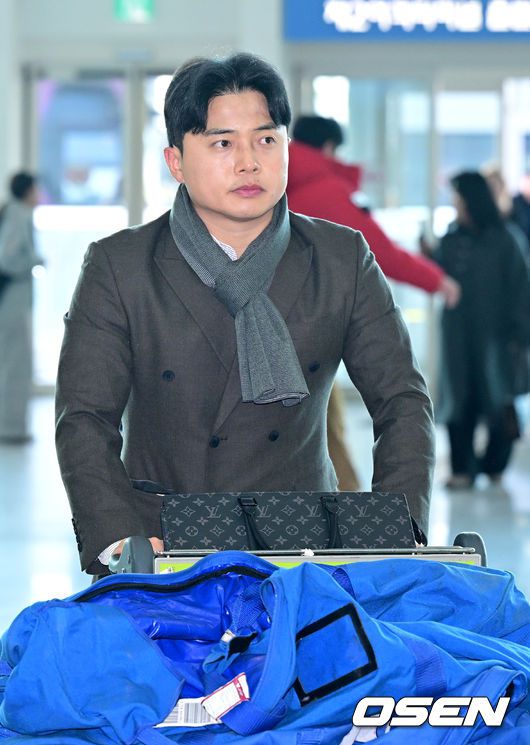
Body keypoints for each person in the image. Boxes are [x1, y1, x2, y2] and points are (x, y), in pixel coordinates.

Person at [55, 53, 435, 576]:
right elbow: (84, 418)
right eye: (222, 143)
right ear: (176, 162)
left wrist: (394, 531)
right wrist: (118, 539)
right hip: (161, 545)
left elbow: (402, 401)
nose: (248, 162)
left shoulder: (341, 258)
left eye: (266, 140)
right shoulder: (121, 265)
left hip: (304, 546)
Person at [287, 115, 460, 491]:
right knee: (325, 426)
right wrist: (436, 281)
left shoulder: (275, 185)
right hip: (309, 327)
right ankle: (345, 513)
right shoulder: (326, 190)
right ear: (329, 148)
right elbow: (378, 250)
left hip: (272, 323)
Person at [430, 171, 530, 488]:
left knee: (499, 400)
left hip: (498, 338)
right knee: (459, 400)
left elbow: (521, 289)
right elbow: (438, 274)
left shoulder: (506, 239)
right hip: (458, 336)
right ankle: (462, 469)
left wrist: (520, 335)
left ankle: (494, 465)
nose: (455, 204)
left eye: (458, 197)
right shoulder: (451, 238)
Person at [0, 171, 41, 444]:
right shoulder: (19, 215)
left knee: (10, 361)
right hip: (13, 301)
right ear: (27, 191)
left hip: (12, 301)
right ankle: (11, 428)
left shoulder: (12, 212)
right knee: (15, 363)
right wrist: (35, 261)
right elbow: (7, 258)